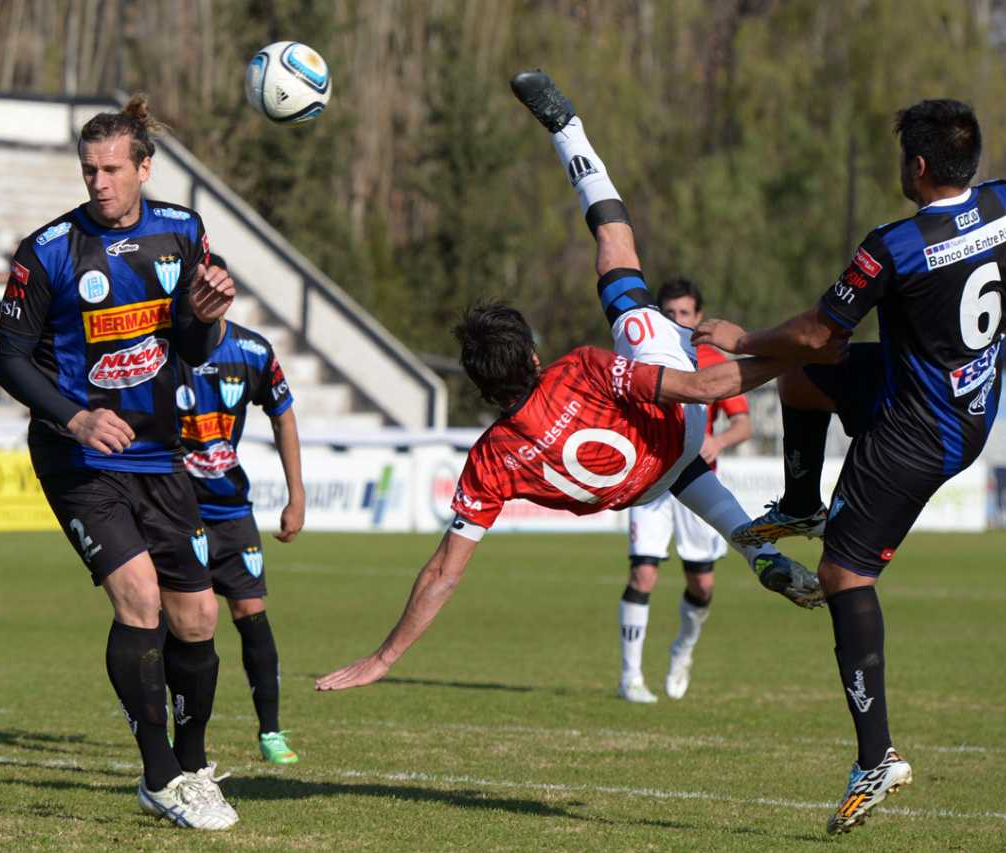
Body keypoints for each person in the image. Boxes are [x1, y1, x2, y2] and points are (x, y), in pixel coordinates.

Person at [316, 71, 828, 697]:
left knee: (678, 469)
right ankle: (568, 131)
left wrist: (384, 657)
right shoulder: (579, 370)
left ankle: (760, 553)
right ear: (534, 356)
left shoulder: (489, 461)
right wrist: (785, 350)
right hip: (677, 436)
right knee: (620, 268)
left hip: (643, 485)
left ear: (481, 387)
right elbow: (702, 390)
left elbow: (444, 572)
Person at [695, 99, 1006, 835]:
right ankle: (800, 501)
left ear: (916, 166)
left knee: (843, 576)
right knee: (802, 383)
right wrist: (1005, 276)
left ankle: (875, 757)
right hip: (961, 396)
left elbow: (818, 333)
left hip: (921, 429)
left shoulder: (895, 246)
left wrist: (743, 337)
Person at [0, 95, 240, 831]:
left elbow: (193, 346)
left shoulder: (183, 231)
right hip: (77, 455)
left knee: (197, 617)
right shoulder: (47, 251)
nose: (98, 183)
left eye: (111, 170)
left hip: (160, 453)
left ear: (144, 168)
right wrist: (75, 417)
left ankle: (193, 765)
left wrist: (206, 315)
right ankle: (159, 774)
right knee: (138, 599)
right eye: (88, 170)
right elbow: (8, 360)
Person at [176, 290, 306, 766]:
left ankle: (270, 730)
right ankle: (180, 733)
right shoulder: (163, 348)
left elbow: (283, 417)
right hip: (175, 508)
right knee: (183, 620)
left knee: (250, 611)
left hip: (230, 509)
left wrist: (297, 495)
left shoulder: (252, 351)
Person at [618, 277, 753, 703]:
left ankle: (683, 649)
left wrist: (718, 441)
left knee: (702, 585)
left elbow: (743, 423)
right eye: (670, 313)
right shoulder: (644, 354)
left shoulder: (710, 358)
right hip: (652, 479)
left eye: (685, 313)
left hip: (697, 481)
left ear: (699, 317)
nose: (678, 319)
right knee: (643, 573)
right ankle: (630, 676)